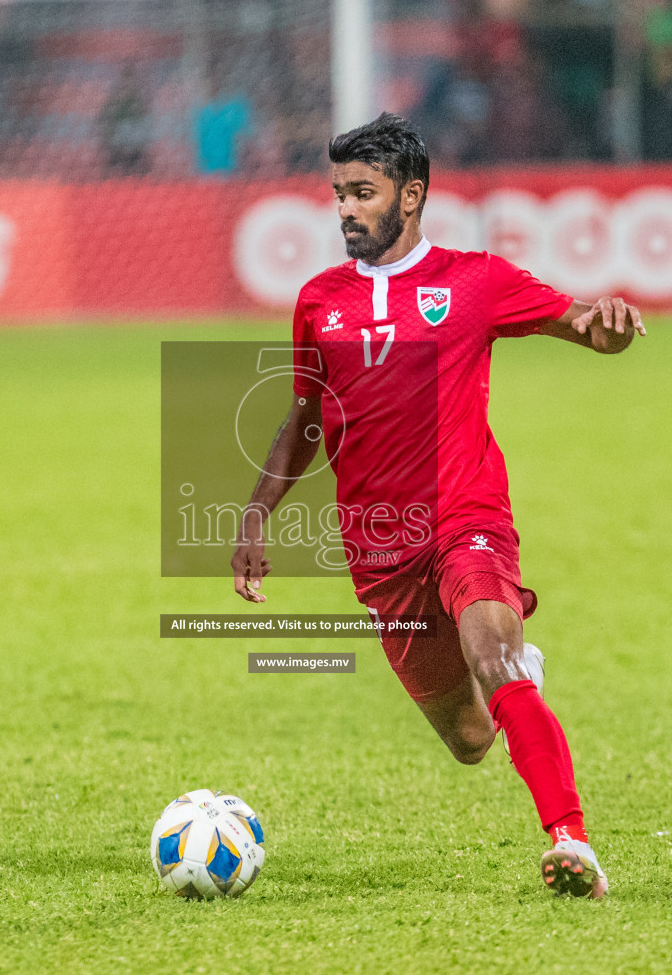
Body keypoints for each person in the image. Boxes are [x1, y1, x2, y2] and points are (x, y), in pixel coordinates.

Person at [229, 113, 646, 899]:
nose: (346, 209)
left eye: (363, 192)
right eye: (337, 194)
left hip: (467, 519)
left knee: (493, 658)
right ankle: (516, 690)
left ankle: (572, 842)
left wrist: (611, 330)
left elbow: (584, 326)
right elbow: (307, 417)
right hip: (380, 550)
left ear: (410, 196)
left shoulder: (475, 280)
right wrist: (255, 517)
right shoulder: (319, 300)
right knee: (468, 738)